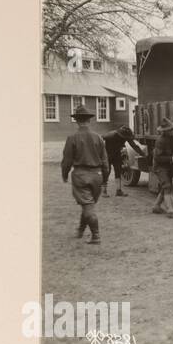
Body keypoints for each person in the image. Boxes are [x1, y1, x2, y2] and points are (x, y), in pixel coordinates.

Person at [61, 103, 110, 244]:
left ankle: (96, 236)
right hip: (97, 176)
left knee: (88, 206)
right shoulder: (99, 138)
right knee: (88, 205)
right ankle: (81, 230)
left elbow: (66, 161)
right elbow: (105, 163)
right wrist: (104, 179)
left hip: (81, 176)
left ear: (77, 121)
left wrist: (64, 175)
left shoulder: (72, 138)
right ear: (89, 120)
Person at [102, 125, 145, 197]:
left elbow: (134, 146)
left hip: (117, 154)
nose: (126, 139)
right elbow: (99, 142)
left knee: (118, 171)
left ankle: (118, 191)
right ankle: (104, 191)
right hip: (107, 155)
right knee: (106, 172)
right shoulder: (110, 135)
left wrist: (142, 154)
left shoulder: (126, 136)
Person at [150, 118, 173, 218]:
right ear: (165, 131)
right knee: (167, 185)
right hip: (159, 166)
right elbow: (157, 158)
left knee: (166, 187)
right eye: (170, 129)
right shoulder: (160, 141)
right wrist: (170, 158)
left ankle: (156, 206)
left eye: (172, 129)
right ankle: (170, 210)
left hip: (168, 165)